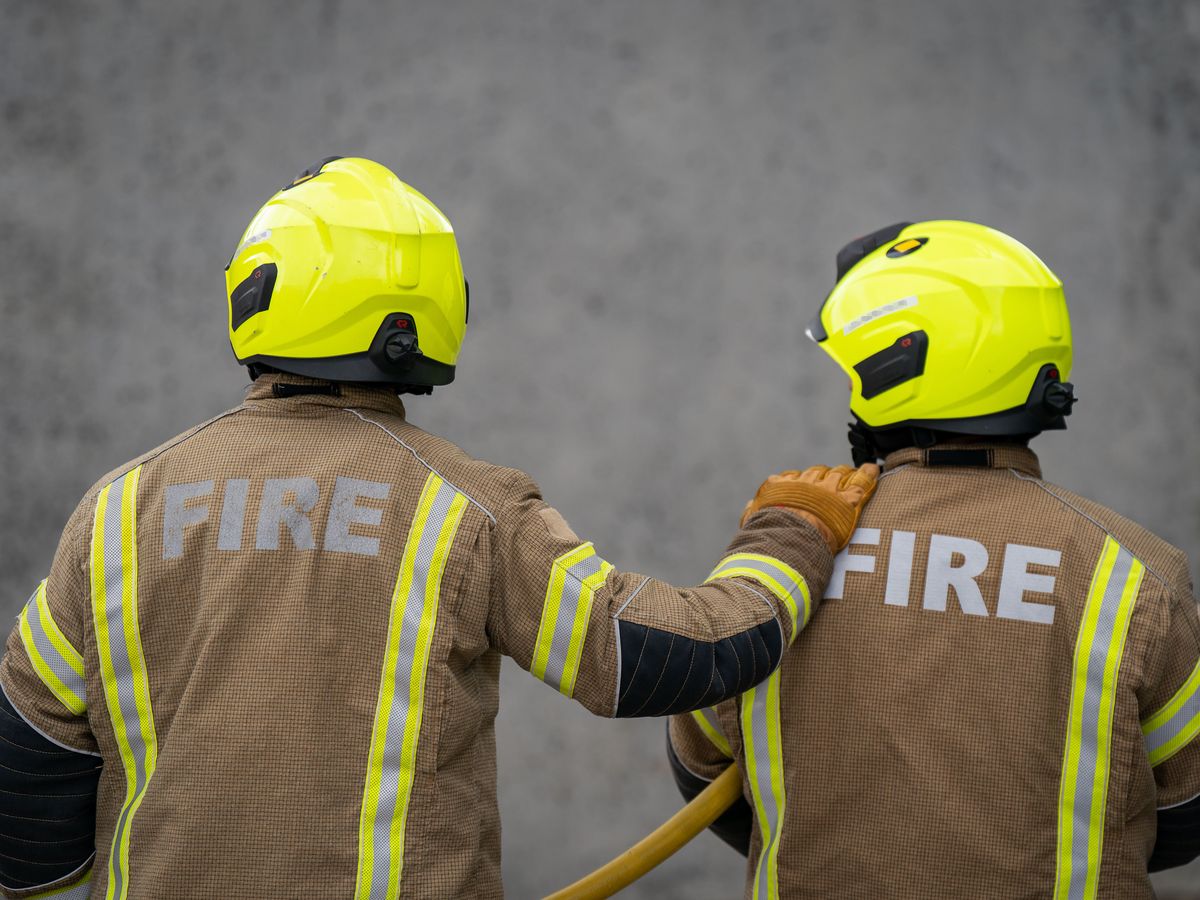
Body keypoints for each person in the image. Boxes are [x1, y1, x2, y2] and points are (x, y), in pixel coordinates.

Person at [0, 157, 876, 900]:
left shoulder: (119, 508)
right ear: (419, 310)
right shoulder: (463, 506)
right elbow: (655, 653)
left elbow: (29, 778)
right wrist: (792, 533)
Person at [667, 220, 1200, 899]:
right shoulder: (1136, 577)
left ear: (897, 363)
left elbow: (703, 775)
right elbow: (1181, 813)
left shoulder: (787, 552)